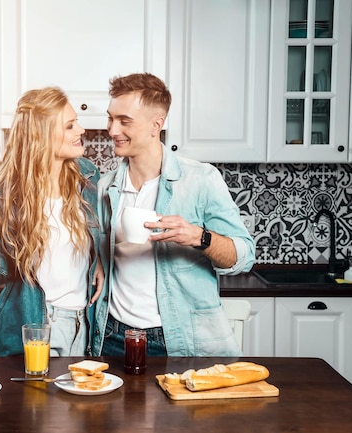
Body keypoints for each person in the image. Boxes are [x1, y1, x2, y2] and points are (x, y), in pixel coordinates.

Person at [93, 73, 255, 357]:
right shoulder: (106, 187)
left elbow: (244, 256)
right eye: (110, 118)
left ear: (157, 124)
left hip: (176, 340)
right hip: (112, 336)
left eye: (124, 121)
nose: (112, 130)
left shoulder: (201, 180)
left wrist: (199, 237)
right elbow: (104, 253)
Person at [0, 87, 104, 357]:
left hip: (85, 322)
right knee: (34, 400)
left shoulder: (86, 177)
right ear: (42, 135)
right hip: (35, 324)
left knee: (81, 400)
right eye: (69, 125)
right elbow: (2, 273)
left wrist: (98, 259)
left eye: (76, 121)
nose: (81, 130)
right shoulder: (4, 194)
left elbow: (98, 231)